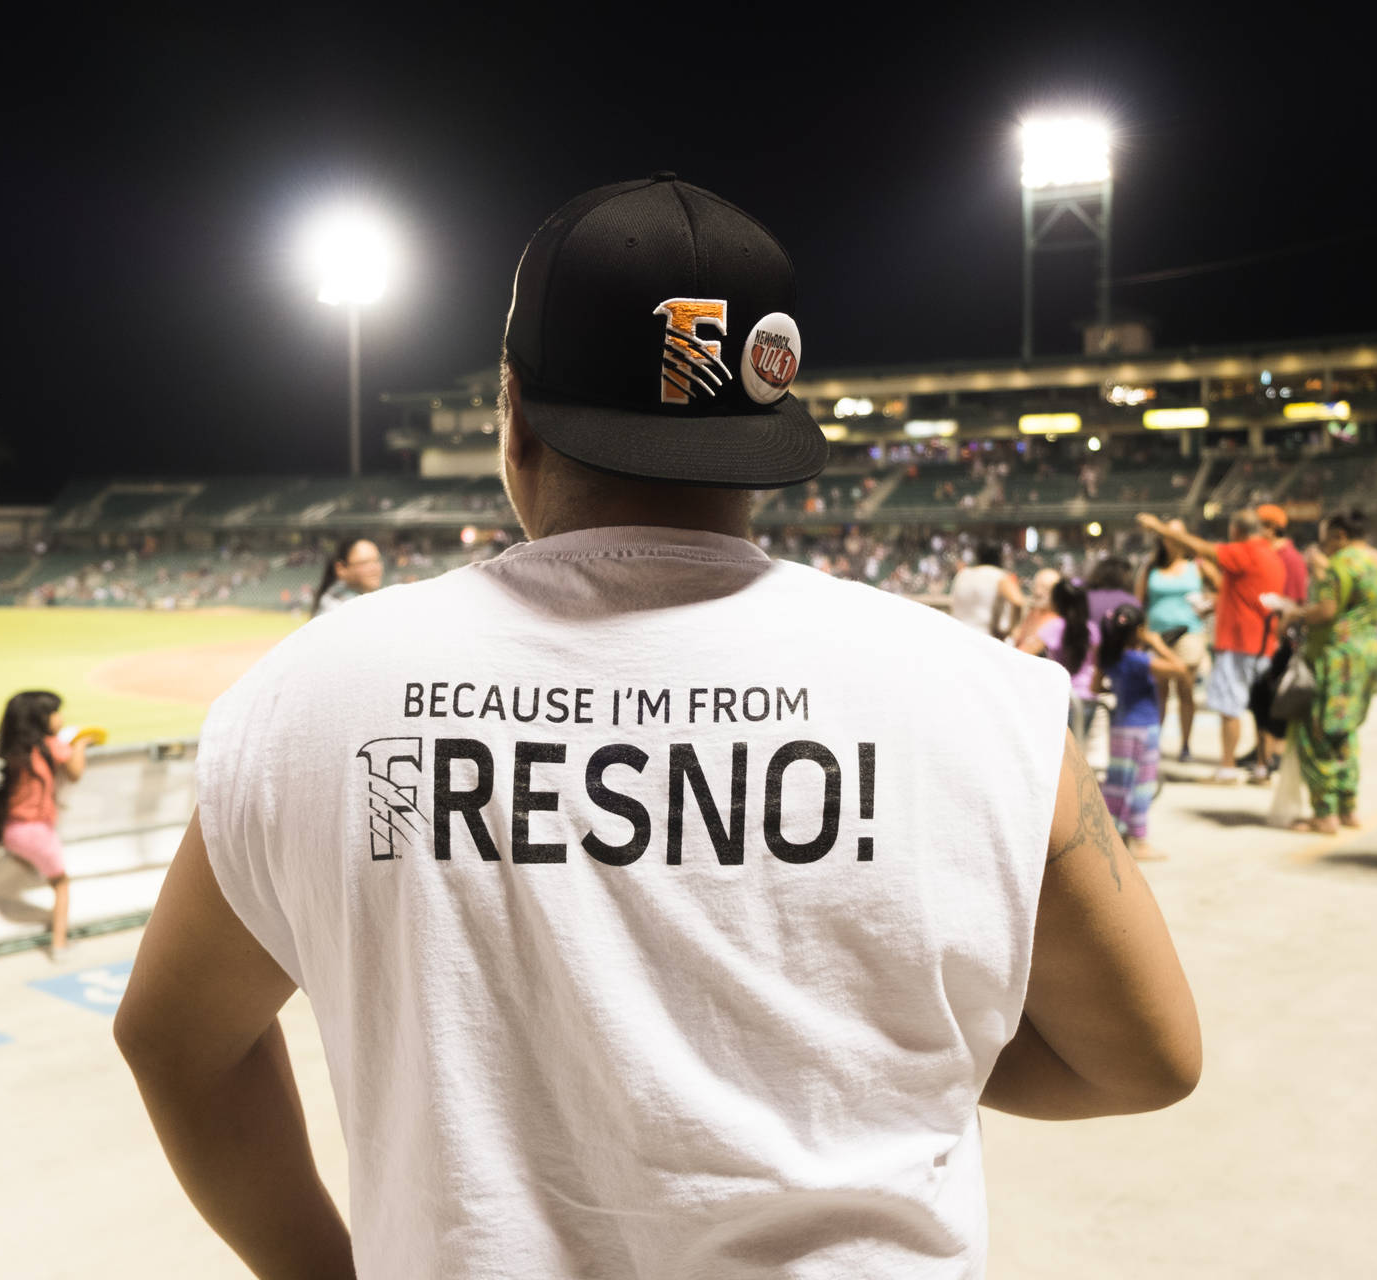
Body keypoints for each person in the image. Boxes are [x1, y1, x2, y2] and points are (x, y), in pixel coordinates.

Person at [115, 174, 1199, 1279]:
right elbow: (1146, 1058)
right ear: (773, 414)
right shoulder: (980, 694)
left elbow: (172, 1038)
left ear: (514, 410)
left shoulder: (313, 694)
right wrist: (889, 1046)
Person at [1138, 509, 1285, 783]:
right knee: (1260, 708)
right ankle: (1263, 767)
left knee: (1229, 707)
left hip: (1240, 641)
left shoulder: (1246, 551)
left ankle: (1227, 767)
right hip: (1263, 640)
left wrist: (1159, 526)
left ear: (1236, 532)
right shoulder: (1271, 556)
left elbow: (1202, 549)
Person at [1280, 509, 1377, 834]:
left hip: (1334, 658)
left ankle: (1324, 813)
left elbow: (1327, 610)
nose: (1323, 544)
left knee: (1317, 732)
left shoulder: (1340, 564)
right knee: (1346, 730)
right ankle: (1348, 808)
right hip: (1366, 653)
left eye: (1325, 537)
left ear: (1340, 535)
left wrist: (1295, 613)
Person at [0, 691, 92, 958]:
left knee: (41, 869)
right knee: (62, 884)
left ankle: (35, 870)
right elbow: (75, 772)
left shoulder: (13, 750)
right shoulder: (50, 746)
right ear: (41, 719)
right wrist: (81, 744)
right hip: (36, 831)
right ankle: (59, 944)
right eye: (55, 712)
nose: (60, 717)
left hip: (11, 830)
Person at [1094, 606, 1185, 861]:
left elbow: (1096, 684)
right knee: (1141, 786)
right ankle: (1138, 839)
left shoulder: (1108, 656)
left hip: (1121, 726)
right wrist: (1157, 643)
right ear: (1139, 631)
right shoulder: (1138, 660)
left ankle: (1113, 834)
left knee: (1118, 783)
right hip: (1144, 728)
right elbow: (1179, 669)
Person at [1137, 523, 1213, 762]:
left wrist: (1207, 606)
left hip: (1189, 632)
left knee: (1185, 689)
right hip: (1158, 636)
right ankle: (1155, 745)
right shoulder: (1152, 565)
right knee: (1158, 691)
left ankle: (1186, 745)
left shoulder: (1198, 566)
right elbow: (1139, 601)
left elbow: (1223, 590)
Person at [1021, 577, 1101, 740]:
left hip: (1064, 699)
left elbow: (1022, 653)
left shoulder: (1053, 628)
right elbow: (1098, 665)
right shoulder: (1092, 630)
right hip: (1088, 700)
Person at [947, 543, 1023, 637]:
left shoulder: (963, 574)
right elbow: (1018, 601)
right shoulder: (999, 576)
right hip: (986, 637)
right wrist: (1011, 630)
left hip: (959, 633)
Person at [311, 536, 383, 618]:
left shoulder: (366, 602)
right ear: (341, 568)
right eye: (364, 562)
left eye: (377, 560)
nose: (374, 568)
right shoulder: (335, 610)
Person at [1259, 504, 1309, 605]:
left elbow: (1295, 603)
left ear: (1270, 528)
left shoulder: (1292, 559)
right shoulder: (1264, 553)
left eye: (1255, 527)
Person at [1009, 565, 1061, 650]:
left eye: (1045, 588)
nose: (1038, 592)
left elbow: (1025, 651)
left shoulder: (1055, 622)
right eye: (1036, 585)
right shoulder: (1033, 612)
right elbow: (1016, 638)